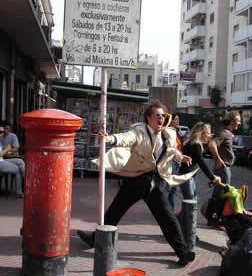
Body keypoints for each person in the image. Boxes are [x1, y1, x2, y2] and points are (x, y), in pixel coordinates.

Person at [77, 100, 198, 266]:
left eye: (163, 115)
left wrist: (180, 156)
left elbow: (171, 149)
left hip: (155, 183)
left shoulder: (167, 134)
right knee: (115, 211)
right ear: (148, 117)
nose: (161, 118)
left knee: (167, 218)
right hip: (137, 180)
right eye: (157, 115)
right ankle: (94, 238)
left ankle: (182, 253)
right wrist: (111, 138)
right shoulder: (139, 131)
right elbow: (127, 138)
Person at [178, 122, 221, 251]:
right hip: (186, 178)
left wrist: (211, 178)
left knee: (189, 205)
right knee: (191, 205)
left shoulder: (193, 143)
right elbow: (202, 164)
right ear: (201, 132)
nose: (209, 135)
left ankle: (177, 227)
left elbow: (199, 164)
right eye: (207, 133)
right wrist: (213, 177)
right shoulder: (195, 145)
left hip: (187, 177)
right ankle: (189, 232)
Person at [208, 111, 241, 198]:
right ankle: (214, 211)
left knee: (221, 193)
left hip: (224, 168)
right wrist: (218, 159)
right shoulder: (225, 132)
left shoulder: (226, 132)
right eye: (238, 121)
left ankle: (215, 210)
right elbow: (212, 144)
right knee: (221, 195)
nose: (240, 123)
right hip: (223, 168)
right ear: (232, 121)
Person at [0, 124, 25, 197]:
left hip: (3, 159)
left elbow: (15, 148)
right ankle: (19, 192)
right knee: (17, 169)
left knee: (20, 162)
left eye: (1, 132)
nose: (3, 133)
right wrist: (7, 149)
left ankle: (26, 180)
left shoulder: (9, 137)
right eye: (1, 132)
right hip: (1, 161)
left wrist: (5, 148)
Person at [167, 113, 182, 212]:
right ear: (170, 121)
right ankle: (169, 210)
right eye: (176, 119)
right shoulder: (168, 132)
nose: (178, 121)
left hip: (176, 162)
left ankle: (169, 209)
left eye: (178, 119)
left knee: (173, 188)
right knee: (170, 188)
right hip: (171, 162)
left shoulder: (176, 132)